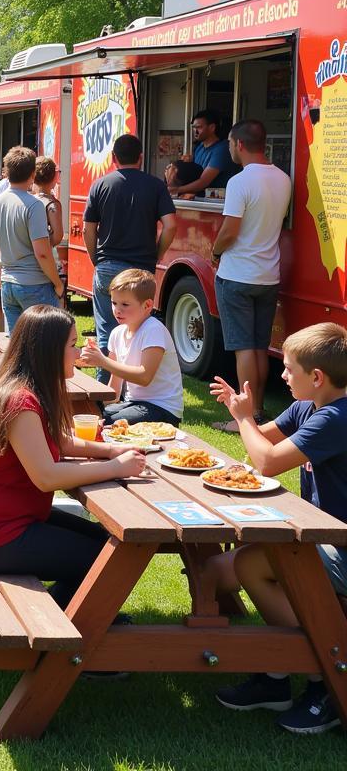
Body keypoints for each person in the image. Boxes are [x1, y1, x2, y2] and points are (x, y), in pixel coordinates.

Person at [0, 305, 146, 606]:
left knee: (106, 544)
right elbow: (46, 477)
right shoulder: (19, 401)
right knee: (105, 560)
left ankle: (67, 612)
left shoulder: (16, 386)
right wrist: (116, 467)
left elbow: (59, 441)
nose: (77, 353)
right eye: (72, 345)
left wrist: (113, 449)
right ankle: (65, 624)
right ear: (48, 351)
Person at [207, 323, 347, 734]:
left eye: (288, 369)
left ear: (317, 377)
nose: (282, 376)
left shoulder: (336, 417)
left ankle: (325, 678)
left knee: (253, 562)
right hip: (323, 534)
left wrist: (244, 419)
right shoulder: (310, 407)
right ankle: (277, 675)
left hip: (341, 544)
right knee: (229, 566)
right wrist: (246, 419)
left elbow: (267, 461)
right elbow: (263, 443)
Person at [211, 119, 292, 431]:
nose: (230, 148)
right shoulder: (283, 178)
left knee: (244, 347)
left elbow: (230, 230)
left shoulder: (239, 182)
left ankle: (245, 416)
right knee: (259, 346)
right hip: (268, 274)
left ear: (239, 145)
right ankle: (257, 410)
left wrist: (215, 252)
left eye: (230, 144)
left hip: (237, 275)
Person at [82, 134, 176, 380]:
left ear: (113, 158)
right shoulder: (156, 185)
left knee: (107, 334)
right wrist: (157, 254)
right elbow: (171, 225)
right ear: (141, 158)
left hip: (107, 265)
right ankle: (128, 390)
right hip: (141, 270)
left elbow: (87, 229)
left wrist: (97, 259)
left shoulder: (100, 185)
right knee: (139, 332)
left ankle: (103, 395)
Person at [80, 269, 184, 427]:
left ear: (147, 305)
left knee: (106, 423)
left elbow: (144, 377)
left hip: (162, 409)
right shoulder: (116, 333)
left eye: (125, 304)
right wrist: (90, 401)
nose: (117, 309)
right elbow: (114, 392)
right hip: (134, 404)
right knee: (89, 416)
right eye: (114, 303)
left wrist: (102, 361)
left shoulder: (153, 329)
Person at [0, 147, 62, 332]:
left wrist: (1, 276)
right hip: (34, 283)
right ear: (33, 174)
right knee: (46, 345)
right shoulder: (33, 205)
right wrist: (58, 283)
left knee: (17, 346)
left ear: (6, 172)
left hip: (9, 282)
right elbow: (42, 253)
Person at [167, 109, 238, 196]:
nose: (195, 131)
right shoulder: (199, 147)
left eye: (199, 127)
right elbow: (195, 174)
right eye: (194, 128)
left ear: (212, 128)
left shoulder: (222, 149)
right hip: (201, 199)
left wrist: (176, 190)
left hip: (217, 202)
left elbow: (203, 182)